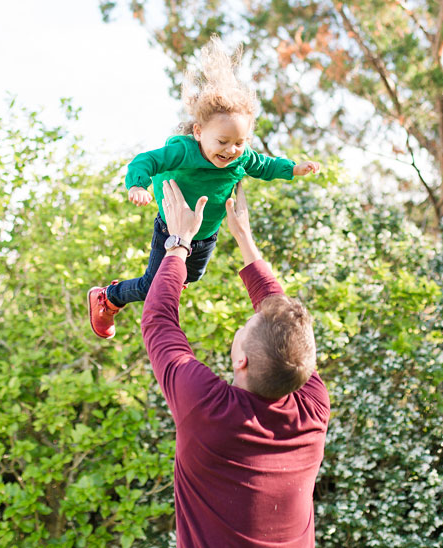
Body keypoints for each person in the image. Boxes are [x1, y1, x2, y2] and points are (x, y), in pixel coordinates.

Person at [87, 36, 320, 339]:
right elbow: (145, 161)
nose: (231, 150)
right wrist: (137, 186)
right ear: (199, 132)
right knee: (152, 285)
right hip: (173, 228)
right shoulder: (183, 151)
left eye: (239, 142)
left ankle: (172, 278)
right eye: (222, 142)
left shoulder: (242, 157)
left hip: (206, 233)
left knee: (192, 275)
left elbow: (265, 165)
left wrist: (293, 169)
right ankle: (108, 297)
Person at [141, 178, 329, 547]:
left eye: (247, 325)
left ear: (241, 358)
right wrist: (244, 237)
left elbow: (158, 321)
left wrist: (179, 243)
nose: (248, 321)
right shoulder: (312, 406)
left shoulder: (208, 408)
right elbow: (283, 323)